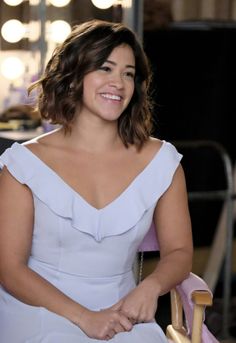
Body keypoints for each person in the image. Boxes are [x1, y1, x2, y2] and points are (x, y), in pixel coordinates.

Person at [0, 19, 193, 342]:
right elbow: (10, 268)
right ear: (74, 76)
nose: (118, 82)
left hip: (124, 311)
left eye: (128, 73)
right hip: (39, 310)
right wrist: (84, 318)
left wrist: (150, 287)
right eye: (105, 68)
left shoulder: (162, 162)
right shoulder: (24, 165)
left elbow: (179, 251)